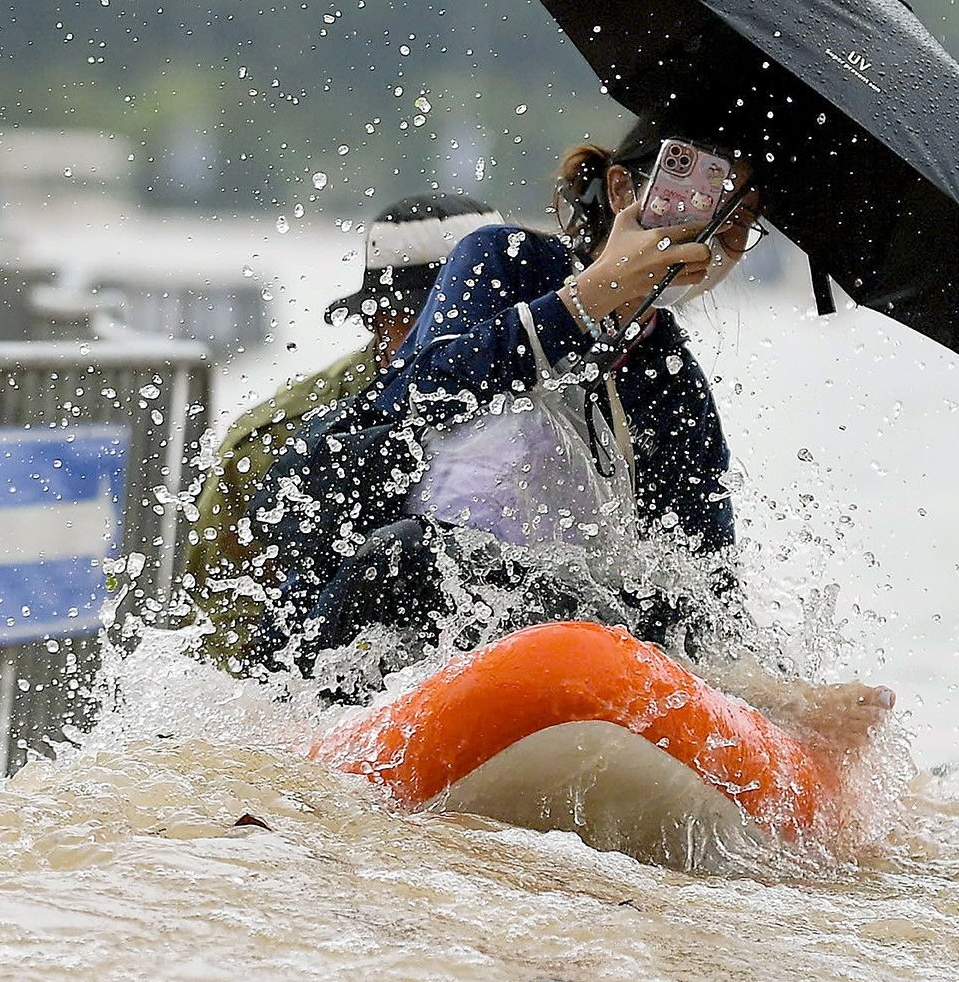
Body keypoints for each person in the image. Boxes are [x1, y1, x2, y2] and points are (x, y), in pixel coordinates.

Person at [251, 115, 771, 692]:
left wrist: (755, 684)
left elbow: (705, 568)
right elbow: (427, 389)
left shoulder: (675, 379)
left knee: (663, 610)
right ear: (624, 190)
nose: (712, 240)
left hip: (551, 610)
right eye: (698, 206)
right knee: (405, 555)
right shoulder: (507, 258)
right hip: (403, 572)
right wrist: (591, 297)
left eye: (737, 226)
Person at [176, 193, 502, 670]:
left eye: (492, 313)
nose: (476, 337)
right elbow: (224, 629)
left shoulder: (572, 404)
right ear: (378, 319)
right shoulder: (276, 440)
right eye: (450, 317)